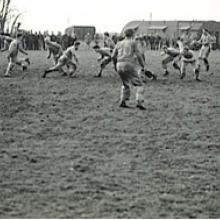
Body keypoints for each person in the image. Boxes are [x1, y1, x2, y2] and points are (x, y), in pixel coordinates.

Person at [111, 27, 147, 110]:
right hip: (128, 63)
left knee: (125, 83)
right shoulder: (133, 42)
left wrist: (115, 65)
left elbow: (113, 56)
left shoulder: (119, 43)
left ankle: (123, 101)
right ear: (133, 34)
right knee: (139, 84)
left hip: (119, 64)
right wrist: (143, 66)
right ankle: (139, 102)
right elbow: (138, 55)